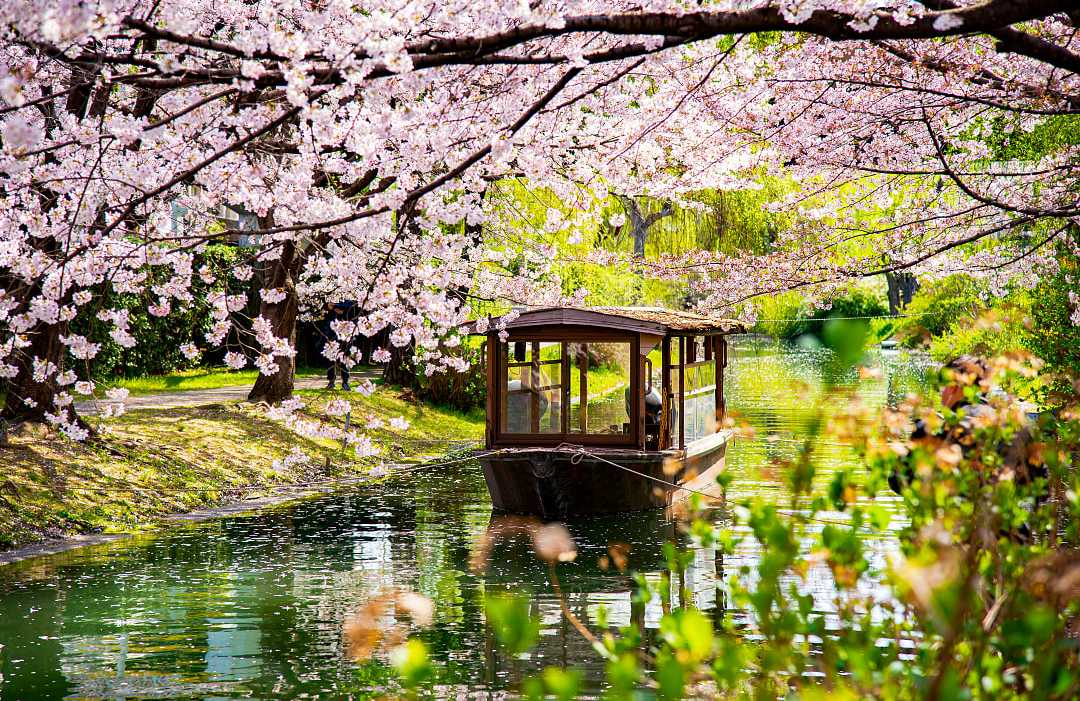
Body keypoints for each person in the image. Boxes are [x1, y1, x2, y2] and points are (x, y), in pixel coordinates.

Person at [321, 300, 357, 391]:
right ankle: (331, 382)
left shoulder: (349, 296)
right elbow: (325, 307)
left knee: (345, 359)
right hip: (331, 334)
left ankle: (345, 382)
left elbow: (351, 304)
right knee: (330, 359)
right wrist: (330, 307)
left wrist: (336, 306)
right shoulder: (330, 294)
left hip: (346, 335)